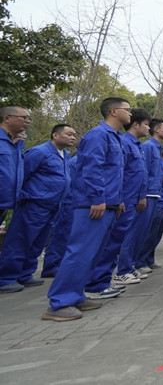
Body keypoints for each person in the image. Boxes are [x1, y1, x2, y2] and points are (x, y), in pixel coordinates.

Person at [42, 97, 131, 322]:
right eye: (126, 110)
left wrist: (117, 199)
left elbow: (113, 174)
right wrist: (97, 198)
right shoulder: (97, 135)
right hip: (93, 204)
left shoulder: (116, 138)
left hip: (107, 203)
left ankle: (75, 295)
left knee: (92, 253)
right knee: (80, 252)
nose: (130, 114)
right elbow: (91, 169)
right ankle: (59, 302)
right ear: (113, 111)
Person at [0, 123, 76, 293]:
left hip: (54, 206)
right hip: (33, 204)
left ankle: (25, 274)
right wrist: (22, 196)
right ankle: (6, 278)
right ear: (55, 135)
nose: (72, 137)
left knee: (37, 243)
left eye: (74, 135)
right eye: (69, 134)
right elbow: (21, 174)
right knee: (20, 241)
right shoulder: (39, 152)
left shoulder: (66, 155)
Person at [110, 108, 152, 286]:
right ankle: (122, 271)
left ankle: (129, 265)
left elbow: (141, 174)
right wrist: (119, 198)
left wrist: (142, 195)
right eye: (146, 125)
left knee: (135, 233)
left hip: (136, 197)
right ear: (136, 124)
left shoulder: (137, 145)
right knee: (125, 235)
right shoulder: (124, 143)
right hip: (126, 197)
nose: (148, 129)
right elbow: (119, 173)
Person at [134, 118, 163, 274]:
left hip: (156, 194)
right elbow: (143, 171)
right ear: (157, 130)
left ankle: (148, 258)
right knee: (145, 231)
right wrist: (142, 194)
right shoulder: (148, 147)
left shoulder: (157, 148)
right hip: (148, 194)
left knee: (154, 232)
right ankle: (139, 261)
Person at [137, 144, 163, 271]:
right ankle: (140, 261)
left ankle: (150, 259)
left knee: (157, 234)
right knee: (150, 234)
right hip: (159, 202)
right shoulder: (161, 166)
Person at [0, 106, 31, 231]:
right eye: (24, 118)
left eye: (29, 119)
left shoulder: (16, 144)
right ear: (7, 118)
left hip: (5, 203)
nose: (28, 121)